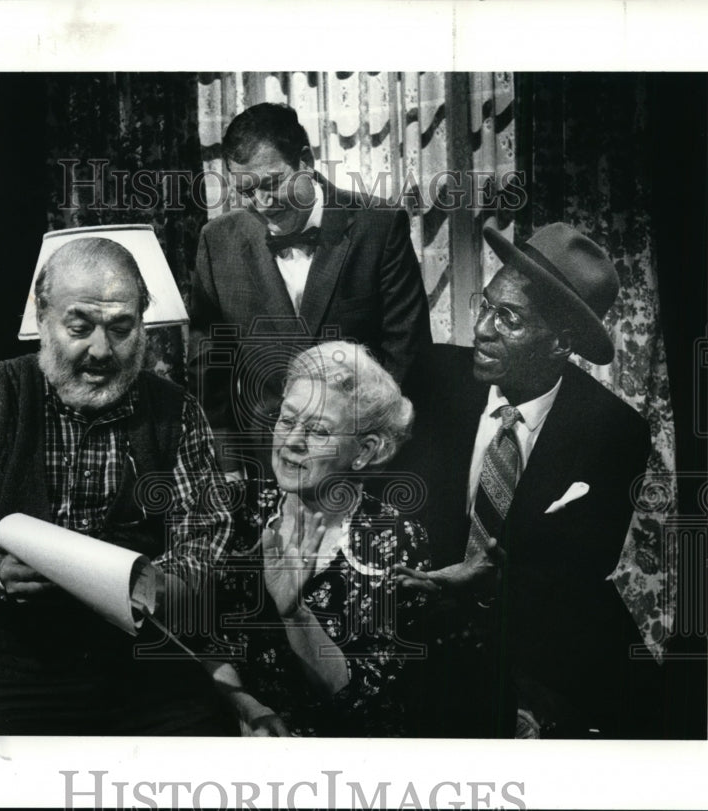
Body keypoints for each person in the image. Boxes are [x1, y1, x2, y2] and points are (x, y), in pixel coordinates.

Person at [0, 237, 234, 735]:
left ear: (142, 327)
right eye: (80, 327)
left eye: (122, 329)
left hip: (143, 671)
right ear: (43, 319)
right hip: (9, 672)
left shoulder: (178, 412)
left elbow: (204, 538)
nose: (101, 350)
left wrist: (154, 584)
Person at [395, 222, 653, 738]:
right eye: (484, 305)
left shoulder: (613, 429)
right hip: (415, 635)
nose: (482, 329)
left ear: (562, 342)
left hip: (534, 643)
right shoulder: (431, 378)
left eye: (507, 317)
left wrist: (497, 586)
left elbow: (581, 574)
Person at [203, 341, 453, 737]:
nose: (292, 441)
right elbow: (203, 641)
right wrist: (245, 705)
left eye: (318, 430)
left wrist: (296, 614)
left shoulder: (395, 539)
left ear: (365, 451)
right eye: (287, 420)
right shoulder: (239, 510)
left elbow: (366, 702)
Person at [188, 102, 432, 477]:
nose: (263, 204)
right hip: (264, 462)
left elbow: (406, 351)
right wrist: (227, 462)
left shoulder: (379, 227)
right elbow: (209, 367)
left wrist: (364, 447)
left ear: (305, 160)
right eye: (246, 190)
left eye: (272, 183)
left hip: (360, 458)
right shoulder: (217, 241)